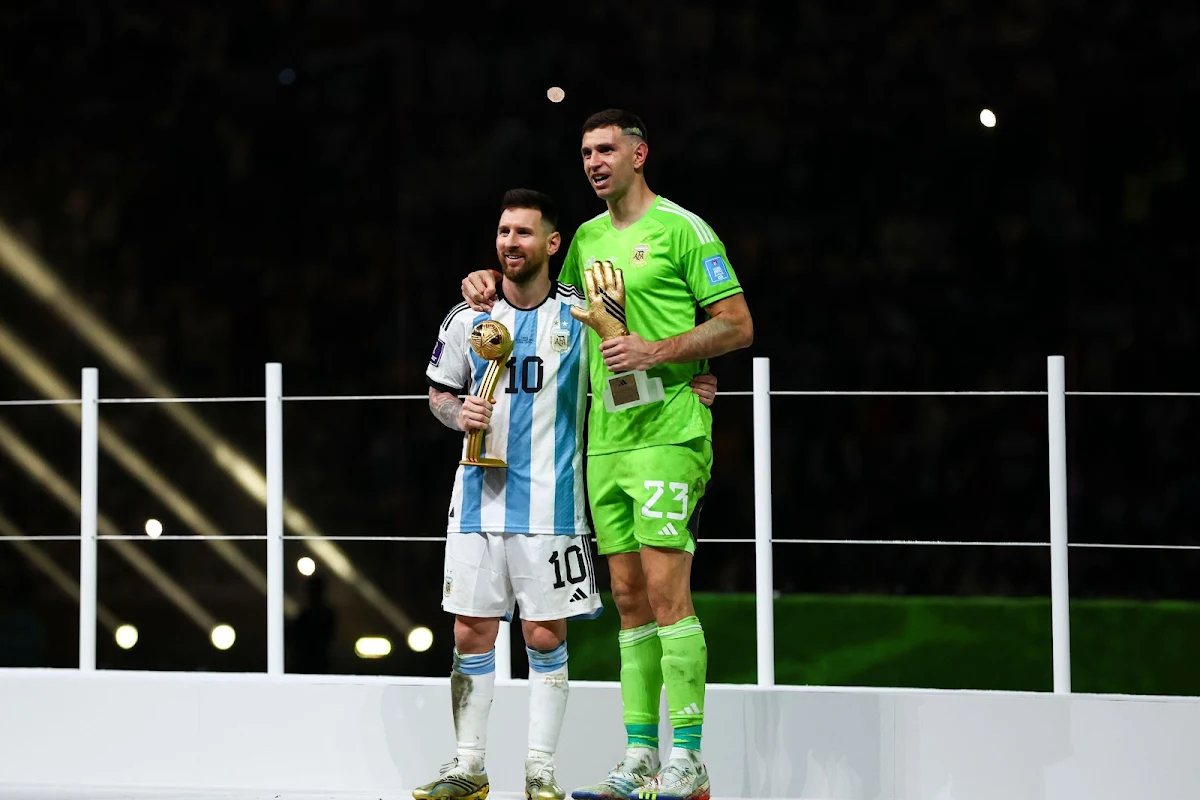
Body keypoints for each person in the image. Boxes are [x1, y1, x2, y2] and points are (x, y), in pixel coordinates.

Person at [461, 110, 754, 800]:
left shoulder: (684, 229)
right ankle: (641, 757)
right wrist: (482, 283)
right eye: (586, 152)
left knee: (665, 591)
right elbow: (547, 310)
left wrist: (663, 352)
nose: (593, 162)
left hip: (668, 432)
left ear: (639, 154)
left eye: (605, 150)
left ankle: (690, 760)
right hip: (606, 441)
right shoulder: (586, 238)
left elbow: (737, 324)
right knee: (626, 599)